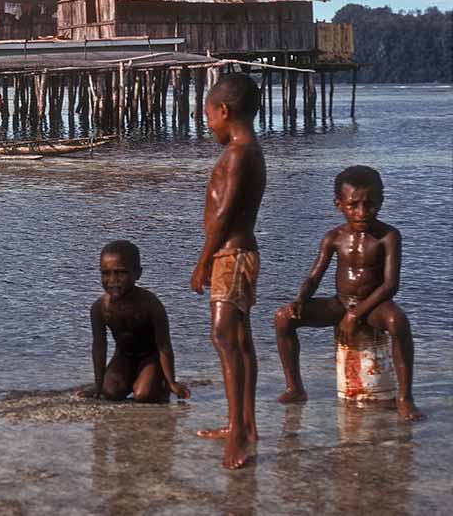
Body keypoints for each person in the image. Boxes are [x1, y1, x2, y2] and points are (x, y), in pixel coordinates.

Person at [274, 166, 423, 420]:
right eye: (354, 205)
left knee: (398, 322)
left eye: (370, 204)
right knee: (282, 318)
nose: (362, 212)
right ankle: (295, 387)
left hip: (374, 305)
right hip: (341, 302)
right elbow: (313, 277)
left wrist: (356, 315)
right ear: (339, 204)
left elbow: (390, 285)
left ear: (382, 202)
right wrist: (299, 300)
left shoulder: (388, 236)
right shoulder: (334, 237)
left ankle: (405, 397)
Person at [190, 72, 266, 470]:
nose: (207, 124)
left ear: (223, 110)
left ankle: (239, 434)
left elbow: (224, 215)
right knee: (239, 339)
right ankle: (244, 423)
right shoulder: (247, 150)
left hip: (231, 257)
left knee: (224, 337)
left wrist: (204, 260)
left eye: (208, 116)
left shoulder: (238, 154)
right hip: (236, 255)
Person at [79, 240, 191, 403]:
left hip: (151, 357)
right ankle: (130, 380)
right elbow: (99, 346)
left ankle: (161, 384)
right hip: (124, 356)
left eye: (120, 273)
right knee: (110, 392)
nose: (112, 280)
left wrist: (172, 381)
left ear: (137, 273)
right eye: (105, 273)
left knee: (144, 395)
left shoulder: (150, 304)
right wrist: (98, 385)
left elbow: (164, 345)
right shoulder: (99, 308)